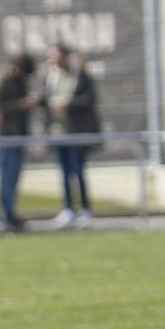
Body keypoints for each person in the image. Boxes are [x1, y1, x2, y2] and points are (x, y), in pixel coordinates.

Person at [42, 45, 96, 229]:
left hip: (75, 132)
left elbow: (89, 99)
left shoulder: (79, 75)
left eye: (55, 55)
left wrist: (68, 104)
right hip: (58, 132)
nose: (53, 59)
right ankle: (68, 209)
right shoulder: (51, 76)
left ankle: (85, 209)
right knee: (64, 173)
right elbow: (46, 100)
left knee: (78, 171)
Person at [0, 53, 37, 232]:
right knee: (6, 176)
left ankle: (10, 212)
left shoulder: (19, 80)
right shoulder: (4, 79)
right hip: (6, 135)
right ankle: (6, 215)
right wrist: (22, 104)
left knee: (13, 177)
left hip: (18, 135)